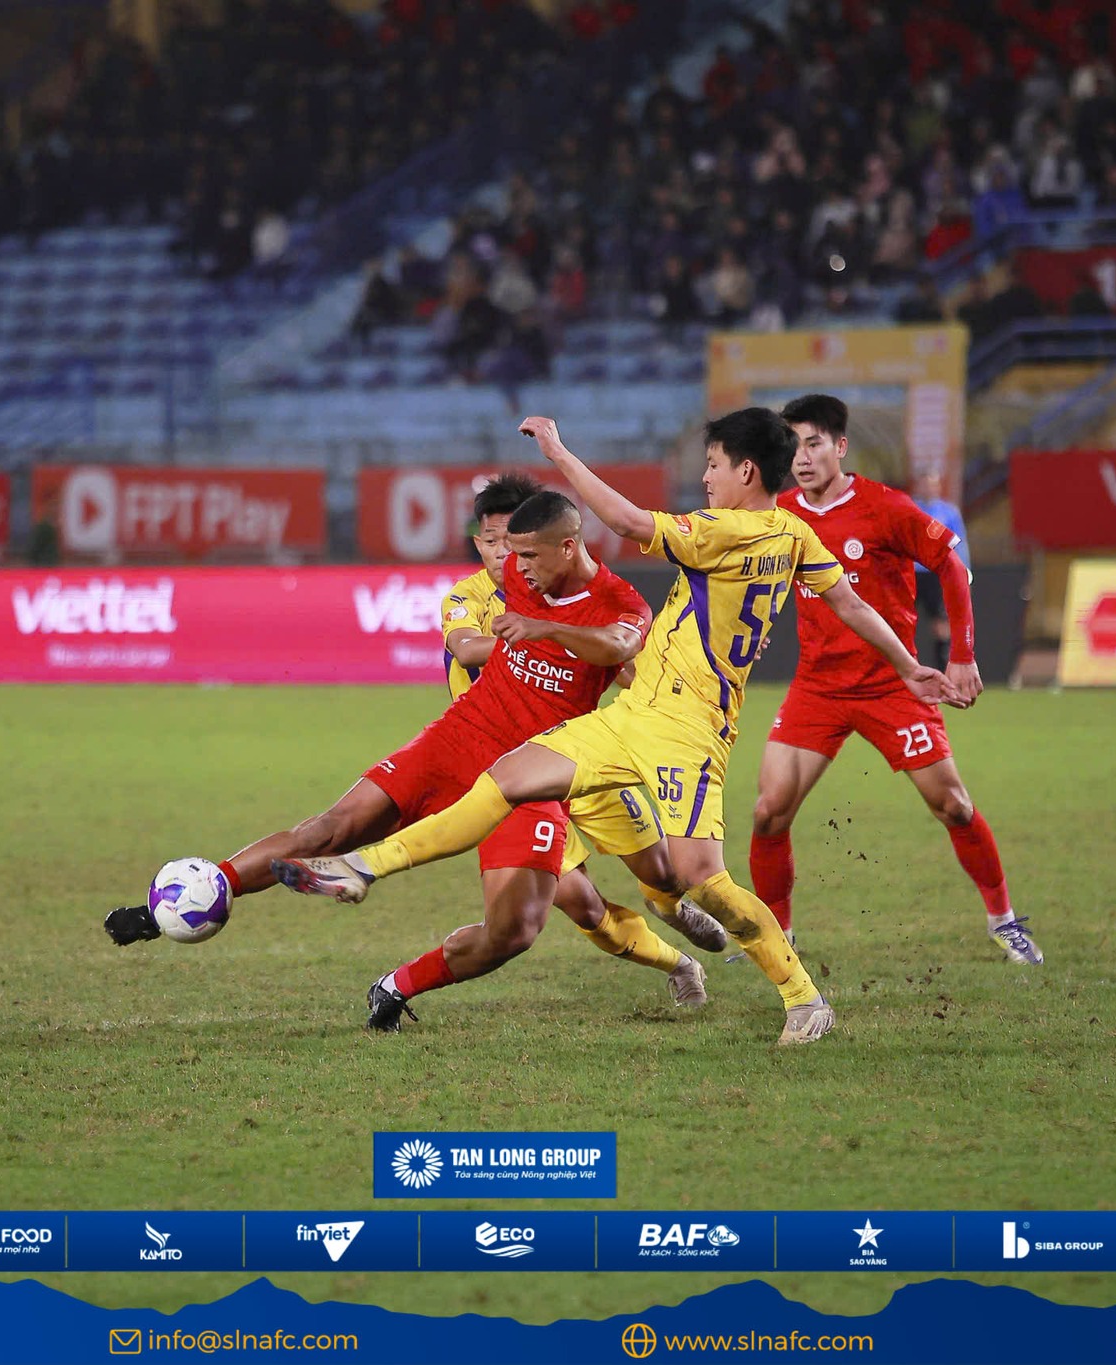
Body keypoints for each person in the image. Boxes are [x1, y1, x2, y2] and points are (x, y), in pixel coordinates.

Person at [272, 411, 961, 1045]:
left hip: (687, 732)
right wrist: (910, 665)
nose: (706, 476)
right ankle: (362, 865)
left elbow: (630, 521)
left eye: (714, 463)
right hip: (632, 715)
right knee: (506, 777)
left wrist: (558, 451)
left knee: (702, 878)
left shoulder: (722, 531)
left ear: (746, 471)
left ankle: (804, 996)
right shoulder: (794, 533)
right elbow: (847, 600)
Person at [102, 475, 727, 1025]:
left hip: (533, 773)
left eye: (526, 553)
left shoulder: (622, 603)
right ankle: (192, 899)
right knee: (331, 828)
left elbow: (617, 649)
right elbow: (471, 635)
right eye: (503, 549)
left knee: (518, 929)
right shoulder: (511, 572)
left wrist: (546, 631)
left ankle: (396, 986)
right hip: (461, 738)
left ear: (569, 545)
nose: (516, 567)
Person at [750, 396, 1039, 965]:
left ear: (840, 446)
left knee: (953, 805)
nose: (803, 458)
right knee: (768, 811)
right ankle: (777, 939)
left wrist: (962, 654)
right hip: (818, 687)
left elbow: (952, 566)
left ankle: (1004, 922)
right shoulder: (780, 514)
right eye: (794, 447)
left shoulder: (885, 508)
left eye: (814, 444)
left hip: (892, 685)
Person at [911, 473, 970, 670]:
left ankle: (943, 666)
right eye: (925, 485)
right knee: (904, 619)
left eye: (932, 485)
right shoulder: (911, 508)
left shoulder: (949, 512)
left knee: (940, 621)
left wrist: (964, 569)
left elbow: (959, 543)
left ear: (938, 487)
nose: (928, 489)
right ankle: (903, 667)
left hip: (936, 573)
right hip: (913, 572)